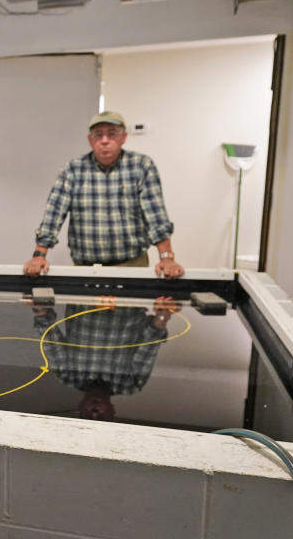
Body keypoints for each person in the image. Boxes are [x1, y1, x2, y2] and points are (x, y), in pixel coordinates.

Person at [23, 110, 184, 279]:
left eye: (112, 134)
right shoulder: (73, 169)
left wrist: (167, 258)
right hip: (84, 269)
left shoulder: (142, 166)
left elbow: (156, 214)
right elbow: (53, 213)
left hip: (132, 266)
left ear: (124, 138)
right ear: (90, 140)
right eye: (98, 135)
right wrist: (39, 256)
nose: (105, 140)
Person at [31, 298, 178, 421]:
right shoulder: (130, 384)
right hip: (126, 299)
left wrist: (39, 309)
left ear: (80, 407)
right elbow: (151, 341)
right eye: (101, 417)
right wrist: (163, 315)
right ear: (112, 411)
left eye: (88, 415)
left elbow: (50, 336)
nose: (95, 411)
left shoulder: (68, 376)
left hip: (85, 296)